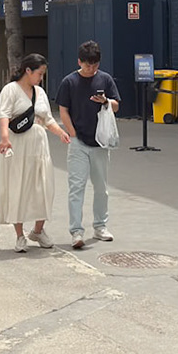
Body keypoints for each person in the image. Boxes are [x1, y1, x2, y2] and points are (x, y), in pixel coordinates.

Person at [0, 53, 72, 252]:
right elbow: (4, 115)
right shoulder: (11, 90)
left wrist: (61, 132)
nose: (41, 77)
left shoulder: (40, 92)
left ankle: (38, 230)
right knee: (18, 186)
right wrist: (4, 138)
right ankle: (19, 236)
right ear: (28, 70)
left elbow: (47, 119)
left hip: (39, 146)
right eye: (39, 73)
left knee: (44, 186)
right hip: (19, 145)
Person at [55, 40, 122, 250]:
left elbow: (116, 105)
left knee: (101, 187)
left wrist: (106, 101)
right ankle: (76, 231)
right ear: (79, 62)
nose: (91, 69)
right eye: (87, 65)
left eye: (94, 65)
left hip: (101, 141)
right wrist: (72, 133)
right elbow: (63, 109)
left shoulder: (105, 79)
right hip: (78, 142)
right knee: (77, 187)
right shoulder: (69, 82)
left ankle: (100, 226)